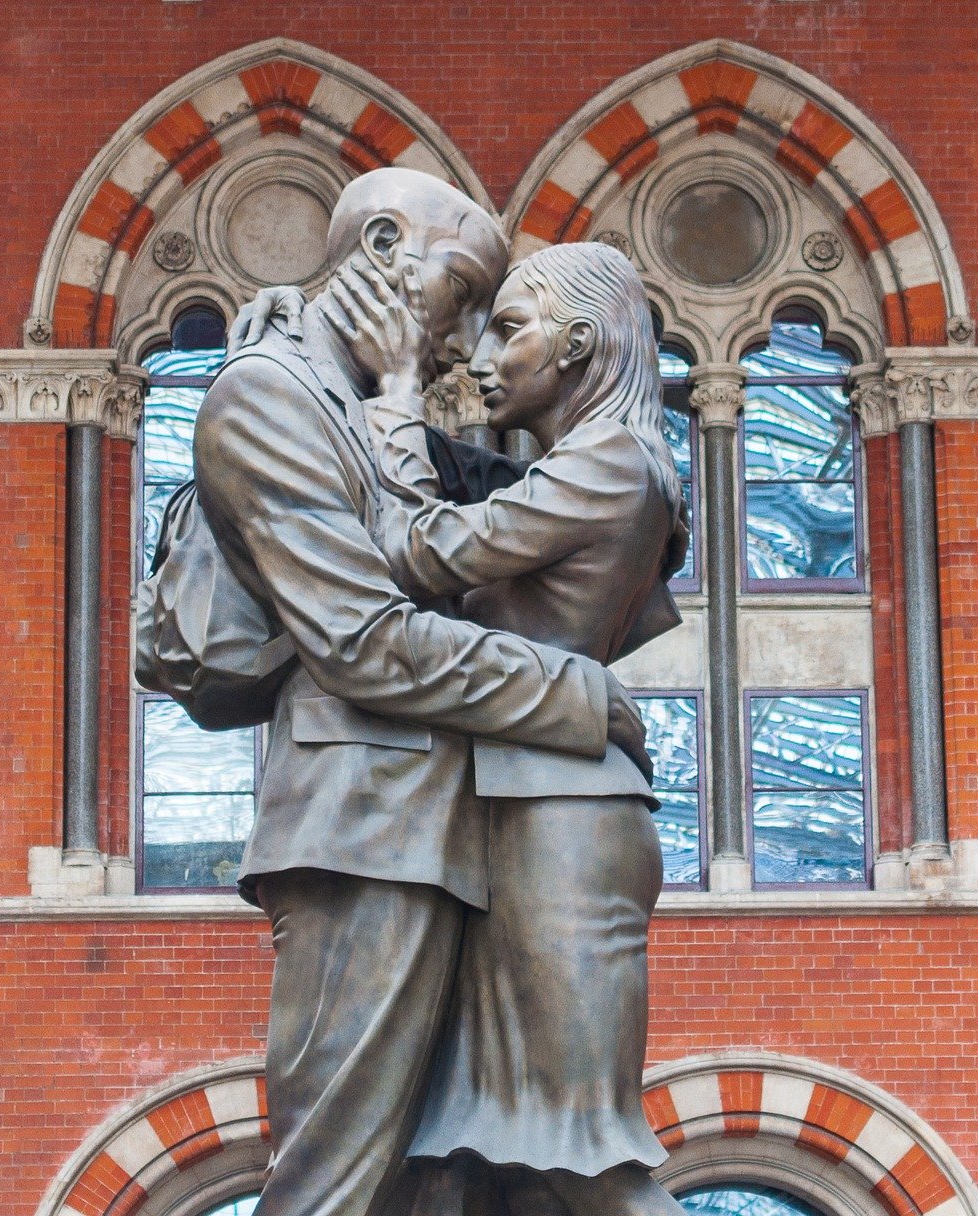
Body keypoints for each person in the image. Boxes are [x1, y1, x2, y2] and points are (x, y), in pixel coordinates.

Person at [189, 169, 652, 1216]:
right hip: (365, 830)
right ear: (388, 246)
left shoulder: (347, 401)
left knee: (444, 1183)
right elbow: (363, 640)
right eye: (465, 290)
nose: (464, 338)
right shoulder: (270, 394)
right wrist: (576, 693)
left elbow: (514, 517)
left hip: (450, 827)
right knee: (336, 1183)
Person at [319, 241, 690, 1216]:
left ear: (576, 343)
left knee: (578, 1152)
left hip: (560, 820)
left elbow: (412, 549)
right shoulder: (583, 469)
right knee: (455, 1161)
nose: (483, 358)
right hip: (501, 814)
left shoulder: (611, 459)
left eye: (511, 329)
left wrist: (397, 395)